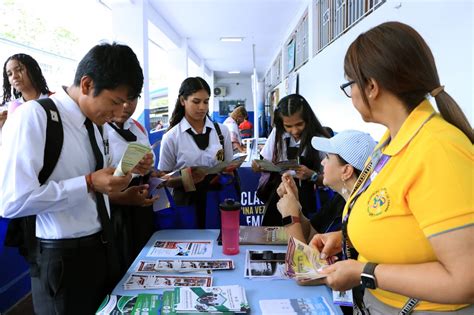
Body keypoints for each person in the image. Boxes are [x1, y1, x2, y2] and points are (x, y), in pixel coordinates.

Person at [311, 22, 473, 314]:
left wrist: (364, 270)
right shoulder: (389, 142)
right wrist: (349, 239)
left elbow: (465, 279)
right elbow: (393, 216)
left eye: (350, 85)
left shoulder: (438, 148)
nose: (352, 96)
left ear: (371, 87)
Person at [0, 43, 152, 315]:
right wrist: (89, 183)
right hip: (62, 261)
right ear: (86, 84)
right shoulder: (35, 117)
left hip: (105, 249)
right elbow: (12, 202)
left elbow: (98, 184)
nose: (120, 113)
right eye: (116, 102)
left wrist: (126, 173)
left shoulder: (97, 124)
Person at [158, 77, 233, 229]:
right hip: (186, 203)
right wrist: (187, 178)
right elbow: (162, 180)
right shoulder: (171, 137)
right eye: (196, 101)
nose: (202, 108)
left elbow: (229, 166)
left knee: (218, 244)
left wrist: (227, 171)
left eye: (206, 101)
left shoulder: (221, 131)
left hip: (217, 199)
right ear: (182, 101)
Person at [276, 130, 376, 243]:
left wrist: (290, 218)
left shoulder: (361, 213)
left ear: (347, 171)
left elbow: (304, 259)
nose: (323, 162)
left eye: (328, 157)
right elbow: (311, 234)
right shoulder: (341, 199)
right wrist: (294, 204)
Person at [252, 94, 330, 226]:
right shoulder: (278, 133)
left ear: (308, 120)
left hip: (307, 198)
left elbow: (330, 181)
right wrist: (258, 166)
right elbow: (265, 160)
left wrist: (312, 176)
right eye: (288, 126)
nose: (294, 131)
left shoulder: (320, 140)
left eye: (299, 124)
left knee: (302, 236)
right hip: (279, 195)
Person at [105, 98, 158, 274]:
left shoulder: (137, 127)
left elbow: (149, 161)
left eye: (133, 99)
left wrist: (150, 168)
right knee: (123, 263)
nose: (127, 106)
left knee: (145, 257)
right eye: (122, 99)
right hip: (115, 207)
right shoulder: (100, 129)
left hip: (141, 204)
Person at [0, 53, 52, 145]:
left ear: (33, 70)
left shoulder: (54, 100)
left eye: (19, 70)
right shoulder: (10, 109)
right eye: (10, 74)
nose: (14, 76)